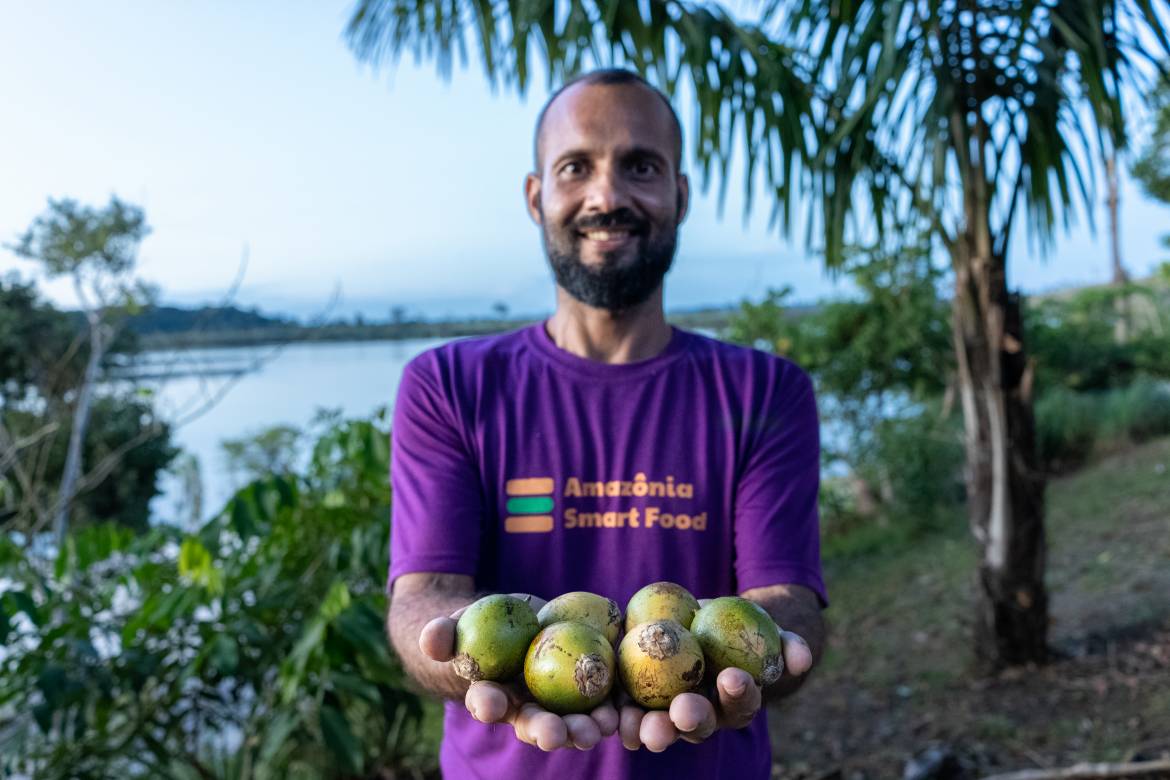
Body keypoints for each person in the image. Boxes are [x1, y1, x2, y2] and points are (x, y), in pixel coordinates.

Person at [386, 68, 827, 779]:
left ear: (679, 196)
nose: (607, 196)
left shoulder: (766, 391)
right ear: (537, 197)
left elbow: (787, 600)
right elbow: (423, 594)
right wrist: (458, 655)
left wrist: (771, 652)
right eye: (575, 167)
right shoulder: (448, 387)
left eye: (640, 166)